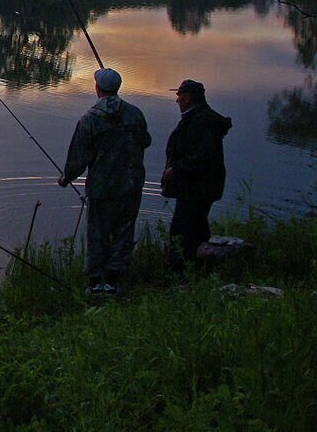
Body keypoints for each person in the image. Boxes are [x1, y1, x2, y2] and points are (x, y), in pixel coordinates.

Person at [58, 68, 152, 295]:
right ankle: (113, 281)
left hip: (102, 188)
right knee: (123, 233)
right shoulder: (135, 114)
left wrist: (66, 178)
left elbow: (78, 158)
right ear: (117, 88)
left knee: (98, 234)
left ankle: (95, 284)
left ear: (97, 88)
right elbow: (146, 141)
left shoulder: (89, 120)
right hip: (131, 185)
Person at [162, 79, 231, 273]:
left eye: (180, 97)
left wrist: (175, 168)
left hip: (196, 188)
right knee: (198, 228)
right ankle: (202, 266)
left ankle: (179, 272)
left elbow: (201, 156)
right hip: (202, 187)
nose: (177, 101)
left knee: (181, 231)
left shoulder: (200, 122)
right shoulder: (202, 119)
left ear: (188, 98)